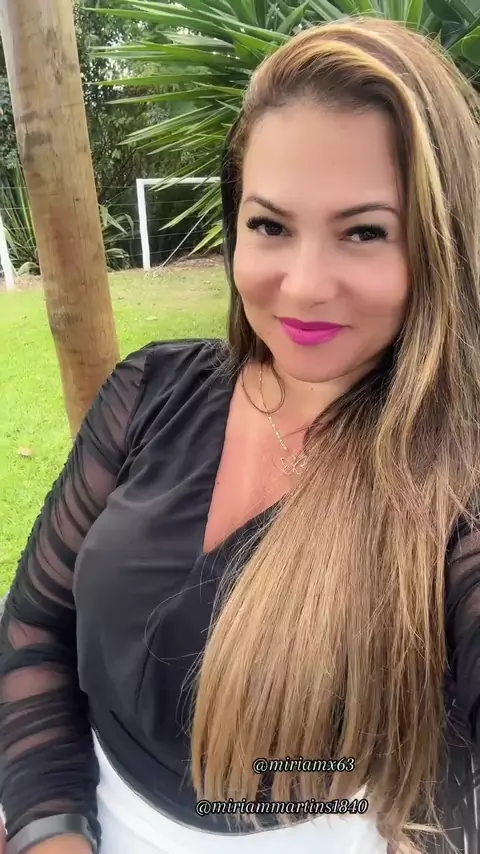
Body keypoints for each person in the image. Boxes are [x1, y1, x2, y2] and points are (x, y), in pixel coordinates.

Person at [1, 15, 480, 854]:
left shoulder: (454, 480)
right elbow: (37, 625)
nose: (303, 286)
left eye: (365, 231)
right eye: (270, 226)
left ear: (440, 244)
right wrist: (51, 829)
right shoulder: (151, 392)